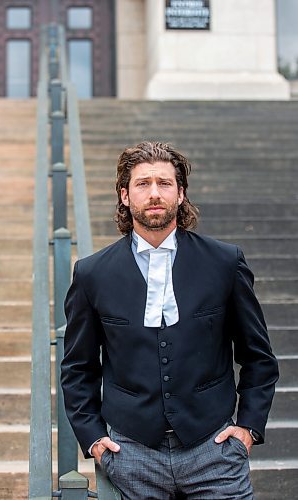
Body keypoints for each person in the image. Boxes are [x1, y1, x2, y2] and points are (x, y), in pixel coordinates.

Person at [61, 141, 279, 499]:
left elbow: (258, 356)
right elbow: (78, 368)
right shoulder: (92, 274)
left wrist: (248, 428)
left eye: (164, 183)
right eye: (142, 184)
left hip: (214, 451)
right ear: (125, 196)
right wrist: (94, 438)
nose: (154, 193)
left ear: (180, 194)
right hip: (131, 455)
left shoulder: (224, 262)